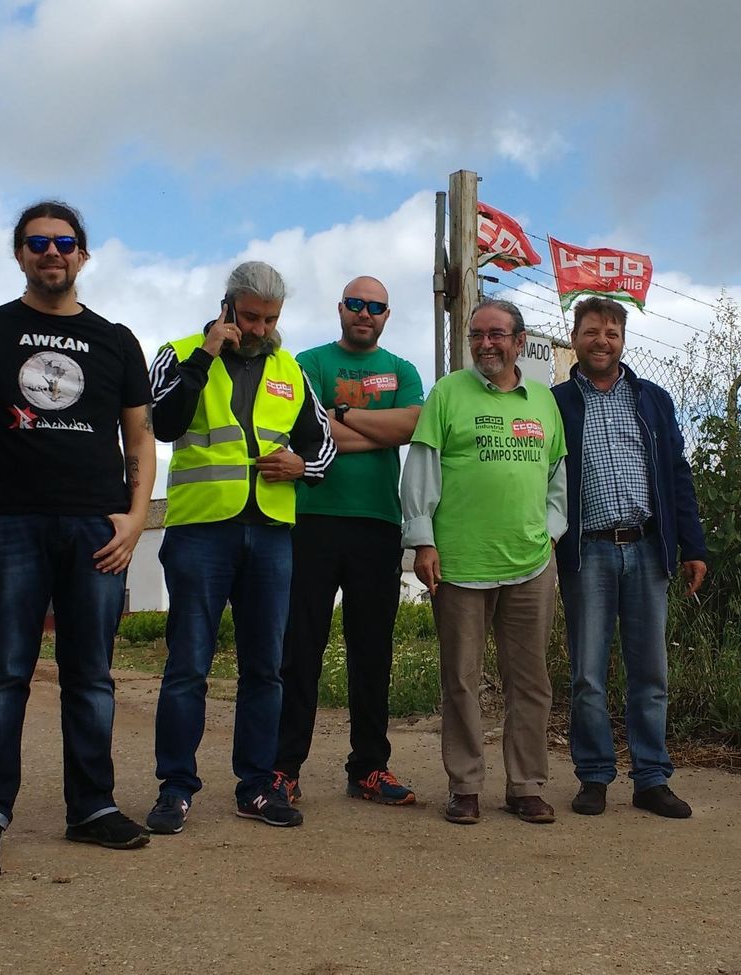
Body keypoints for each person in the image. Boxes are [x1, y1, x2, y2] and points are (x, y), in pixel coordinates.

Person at [0, 201, 156, 860]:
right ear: (19, 254)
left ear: (83, 255)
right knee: (2, 672)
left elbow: (140, 435)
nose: (51, 253)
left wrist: (135, 517)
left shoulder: (115, 339)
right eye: (38, 242)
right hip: (10, 523)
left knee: (90, 675)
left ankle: (93, 805)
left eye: (64, 243)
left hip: (96, 527)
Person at [146, 261, 335, 833]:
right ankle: (175, 789)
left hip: (271, 534)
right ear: (226, 306)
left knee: (266, 669)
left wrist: (303, 466)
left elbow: (323, 446)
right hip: (200, 531)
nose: (259, 329)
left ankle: (256, 786)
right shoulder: (179, 353)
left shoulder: (290, 370)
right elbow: (162, 423)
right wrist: (207, 354)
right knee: (188, 666)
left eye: (270, 319)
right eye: (250, 317)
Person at [402, 299, 567, 826]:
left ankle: (526, 786)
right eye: (477, 335)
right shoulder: (447, 393)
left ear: (519, 341)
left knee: (531, 681)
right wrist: (423, 541)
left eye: (497, 334)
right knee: (461, 679)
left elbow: (557, 477)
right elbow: (421, 470)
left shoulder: (543, 401)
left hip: (531, 563)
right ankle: (466, 786)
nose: (486, 344)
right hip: (460, 563)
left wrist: (551, 532)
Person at [551, 296, 708, 820]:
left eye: (611, 333)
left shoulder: (652, 399)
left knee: (650, 673)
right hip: (587, 551)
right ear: (575, 338)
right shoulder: (555, 403)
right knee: (587, 675)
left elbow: (678, 474)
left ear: (622, 340)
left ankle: (651, 779)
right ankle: (594, 776)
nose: (602, 341)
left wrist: (693, 546)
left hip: (647, 548)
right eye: (591, 331)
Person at [274, 276, 423, 807]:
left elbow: (410, 426)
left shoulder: (403, 370)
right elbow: (307, 433)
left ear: (386, 315)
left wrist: (337, 417)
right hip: (311, 519)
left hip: (378, 523)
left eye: (375, 306)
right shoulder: (308, 363)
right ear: (340, 308)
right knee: (300, 650)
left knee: (372, 651)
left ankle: (369, 768)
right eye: (356, 304)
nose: (365, 313)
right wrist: (369, 430)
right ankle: (284, 768)